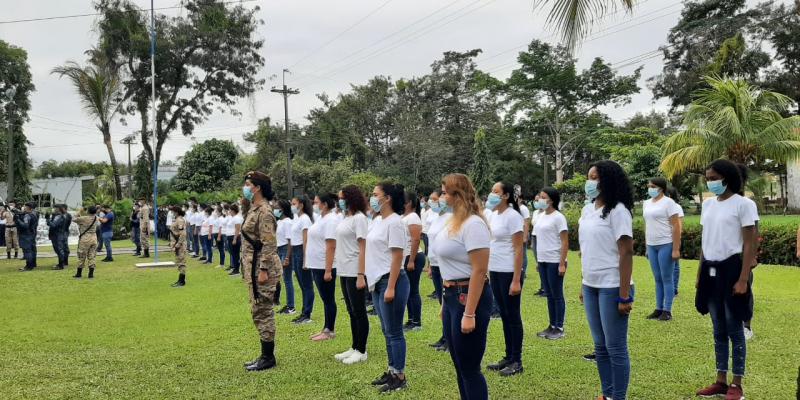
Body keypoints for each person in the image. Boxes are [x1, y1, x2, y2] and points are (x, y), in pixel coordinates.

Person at [694, 159, 757, 400]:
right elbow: (705, 240)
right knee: (718, 327)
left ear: (727, 178)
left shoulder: (744, 204)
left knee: (734, 327)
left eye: (713, 177)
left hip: (732, 269)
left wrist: (743, 279)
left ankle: (736, 384)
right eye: (707, 178)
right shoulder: (708, 205)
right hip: (710, 270)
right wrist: (700, 273)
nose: (710, 181)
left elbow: (750, 243)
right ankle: (720, 380)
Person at [578, 160, 635, 400]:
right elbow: (587, 248)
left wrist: (624, 295)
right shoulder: (587, 210)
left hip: (613, 286)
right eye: (589, 177)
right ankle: (607, 394)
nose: (589, 182)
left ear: (607, 181)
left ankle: (618, 397)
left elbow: (626, 252)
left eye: (594, 177)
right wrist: (583, 282)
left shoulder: (618, 211)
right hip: (591, 285)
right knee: (600, 346)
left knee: (615, 347)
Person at [432, 174, 492, 400]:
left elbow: (479, 270)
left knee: (469, 367)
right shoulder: (453, 222)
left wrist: (469, 313)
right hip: (451, 296)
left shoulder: (473, 224)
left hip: (467, 297)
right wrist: (445, 302)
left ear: (457, 195)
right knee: (459, 364)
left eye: (445, 192)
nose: (441, 197)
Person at [366, 182, 409, 393]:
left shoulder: (395, 223)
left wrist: (391, 287)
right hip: (377, 282)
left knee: (394, 332)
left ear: (387, 198)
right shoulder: (377, 221)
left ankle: (399, 375)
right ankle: (391, 370)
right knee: (386, 330)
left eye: (375, 194)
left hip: (391, 281)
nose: (372, 198)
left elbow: (397, 256)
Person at [240, 171, 282, 372]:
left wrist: (264, 269)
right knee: (258, 310)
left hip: (262, 269)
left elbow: (269, 243)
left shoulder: (264, 211)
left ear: (257, 187)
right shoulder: (253, 209)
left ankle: (268, 357)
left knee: (263, 311)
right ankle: (264, 354)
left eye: (248, 184)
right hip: (253, 268)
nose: (246, 188)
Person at [485, 181, 525, 377]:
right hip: (496, 269)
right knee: (504, 315)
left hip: (510, 271)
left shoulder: (513, 216)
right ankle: (508, 356)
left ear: (506, 196)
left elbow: (519, 249)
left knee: (513, 315)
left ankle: (517, 360)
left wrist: (516, 279)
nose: (491, 194)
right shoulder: (493, 215)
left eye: (495, 192)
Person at [333, 185, 370, 364]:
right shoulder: (345, 218)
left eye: (342, 198)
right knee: (351, 311)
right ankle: (354, 346)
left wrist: (361, 274)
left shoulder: (360, 219)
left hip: (355, 269)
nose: (340, 201)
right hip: (344, 269)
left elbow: (363, 248)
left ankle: (362, 350)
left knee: (359, 311)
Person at [642, 178, 683, 322]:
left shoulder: (669, 203)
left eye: (653, 186)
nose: (650, 188)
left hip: (666, 243)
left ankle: (667, 310)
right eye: (649, 186)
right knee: (657, 278)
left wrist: (676, 249)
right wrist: (647, 247)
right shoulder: (646, 203)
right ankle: (658, 308)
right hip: (652, 246)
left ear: (661, 188)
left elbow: (676, 226)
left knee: (667, 278)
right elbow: (647, 225)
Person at [533, 188, 569, 340]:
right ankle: (551, 325)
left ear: (552, 200)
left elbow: (565, 241)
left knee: (557, 294)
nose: (540, 199)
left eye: (543, 197)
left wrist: (562, 263)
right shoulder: (540, 216)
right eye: (540, 196)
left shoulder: (558, 217)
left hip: (555, 260)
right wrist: (538, 261)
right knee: (549, 294)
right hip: (543, 260)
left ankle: (559, 327)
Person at [306, 193, 339, 341]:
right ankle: (325, 328)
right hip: (316, 264)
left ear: (325, 204)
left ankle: (329, 330)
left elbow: (331, 246)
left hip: (323, 265)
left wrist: (328, 269)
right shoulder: (321, 218)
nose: (314, 204)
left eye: (316, 202)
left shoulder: (331, 220)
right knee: (325, 298)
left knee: (328, 298)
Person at [426, 190, 451, 352]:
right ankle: (445, 336)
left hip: (445, 265)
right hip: (434, 263)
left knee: (448, 303)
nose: (436, 201)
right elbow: (431, 242)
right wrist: (429, 264)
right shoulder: (436, 217)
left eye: (441, 196)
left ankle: (449, 339)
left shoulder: (450, 218)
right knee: (442, 302)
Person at [288, 195, 315, 324]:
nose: (292, 206)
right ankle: (304, 312)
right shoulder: (297, 218)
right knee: (302, 285)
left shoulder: (305, 219)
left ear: (301, 205)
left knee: (307, 285)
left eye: (294, 203)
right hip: (296, 251)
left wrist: (306, 259)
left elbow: (306, 240)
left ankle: (307, 314)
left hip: (301, 251)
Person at [402, 191, 425, 332]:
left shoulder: (413, 217)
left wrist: (411, 260)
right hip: (406, 256)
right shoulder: (405, 217)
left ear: (409, 202)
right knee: (408, 291)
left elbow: (416, 239)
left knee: (413, 290)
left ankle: (416, 322)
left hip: (414, 256)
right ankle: (410, 319)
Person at [274, 200, 296, 314]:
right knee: (284, 279)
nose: (275, 209)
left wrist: (287, 257)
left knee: (288, 280)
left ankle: (291, 306)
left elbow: (290, 241)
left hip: (285, 250)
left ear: (282, 209)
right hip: (279, 249)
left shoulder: (287, 222)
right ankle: (288, 304)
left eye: (277, 207)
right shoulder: (279, 222)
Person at [665, 187, 684, 297]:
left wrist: (677, 241)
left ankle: (674, 289)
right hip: (663, 240)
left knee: (675, 265)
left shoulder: (677, 207)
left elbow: (679, 225)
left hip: (673, 240)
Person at [73, 206, 99, 279]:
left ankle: (79, 273)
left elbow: (74, 219)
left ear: (88, 211)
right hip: (94, 238)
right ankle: (91, 274)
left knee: (81, 255)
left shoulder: (84, 218)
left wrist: (79, 211)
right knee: (92, 255)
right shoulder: (96, 218)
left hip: (85, 239)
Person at [15, 202, 40, 271]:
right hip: (32, 234)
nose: (23, 207)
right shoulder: (34, 214)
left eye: (25, 206)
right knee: (32, 250)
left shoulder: (27, 216)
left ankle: (28, 266)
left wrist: (17, 220)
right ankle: (33, 264)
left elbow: (25, 226)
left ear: (28, 208)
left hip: (26, 235)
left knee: (27, 251)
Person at [168, 206, 188, 287]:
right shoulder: (176, 219)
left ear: (176, 212)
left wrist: (179, 243)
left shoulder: (180, 220)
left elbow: (183, 233)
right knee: (179, 261)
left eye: (172, 211)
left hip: (180, 244)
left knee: (181, 262)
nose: (172, 213)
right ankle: (180, 280)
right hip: (176, 243)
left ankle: (182, 281)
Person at [48, 205, 68, 270]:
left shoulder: (59, 216)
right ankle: (60, 264)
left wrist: (48, 220)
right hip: (58, 234)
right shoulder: (60, 216)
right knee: (58, 249)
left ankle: (61, 265)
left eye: (55, 208)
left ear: (58, 209)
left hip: (57, 235)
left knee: (59, 249)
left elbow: (53, 225)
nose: (54, 209)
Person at [225, 204, 243, 276]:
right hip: (230, 237)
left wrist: (235, 239)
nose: (229, 211)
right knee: (232, 253)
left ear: (233, 210)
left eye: (230, 210)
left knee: (235, 254)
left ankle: (236, 269)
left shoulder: (237, 218)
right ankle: (235, 267)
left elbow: (237, 229)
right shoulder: (232, 218)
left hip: (234, 237)